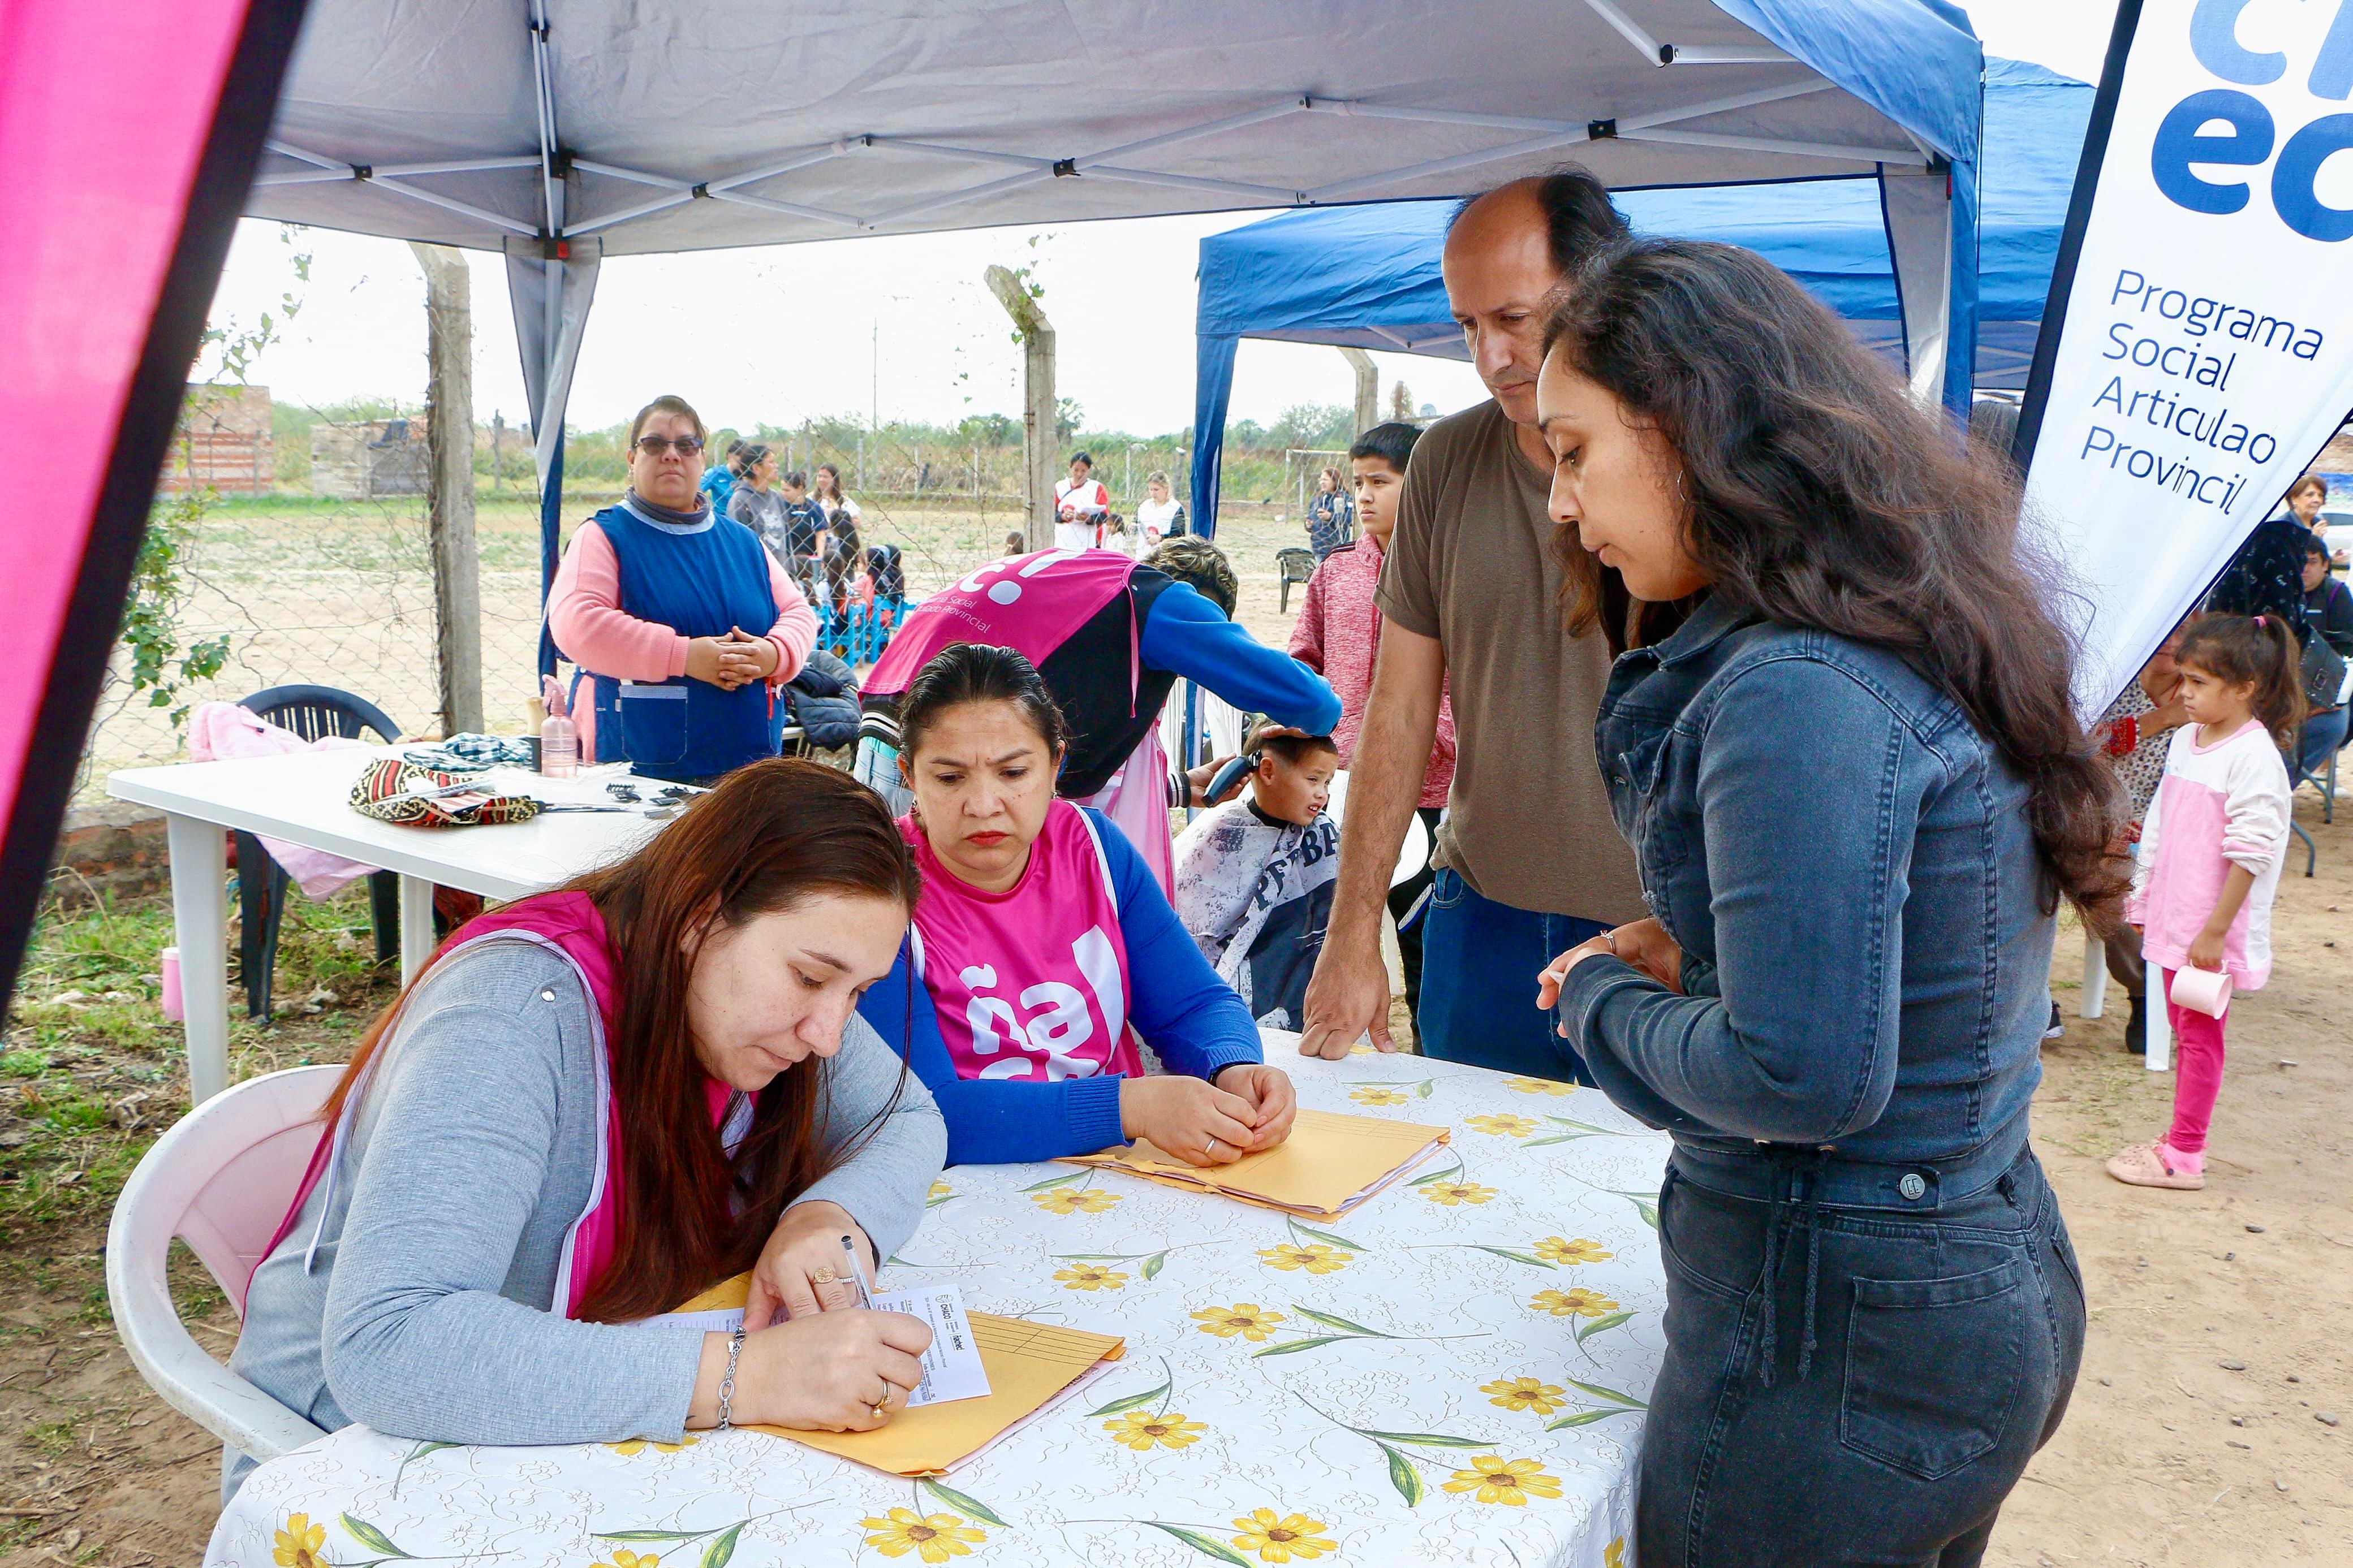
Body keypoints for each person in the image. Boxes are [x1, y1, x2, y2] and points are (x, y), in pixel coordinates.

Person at [1527, 240, 2099, 1564]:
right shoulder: (1903, 617)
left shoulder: (1793, 686)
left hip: (1837, 1336)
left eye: (1573, 452)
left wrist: (1604, 1001)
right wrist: (1716, 944)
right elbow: (1913, 944)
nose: (1563, 506)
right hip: (1961, 1270)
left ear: (1687, 427)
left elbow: (1799, 1076)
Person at [227, 762, 947, 1498]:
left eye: (856, 991)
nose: (828, 1034)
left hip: (539, 1445)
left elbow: (906, 1118)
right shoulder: (510, 1015)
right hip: (347, 1471)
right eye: (809, 978)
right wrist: (750, 1375)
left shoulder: (752, 986)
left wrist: (826, 1218)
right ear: (701, 914)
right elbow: (390, 1344)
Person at [1301, 166, 1647, 1078]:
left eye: (1516, 319)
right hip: (1481, 916)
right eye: (1468, 325)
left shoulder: (1694, 462)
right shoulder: (1449, 462)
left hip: (1669, 938)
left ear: (1603, 290)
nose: (1491, 354)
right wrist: (1352, 932)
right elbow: (1399, 710)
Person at [855, 645, 1298, 1167]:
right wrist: (1127, 1106)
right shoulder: (877, 894)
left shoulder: (1096, 851)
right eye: (949, 778)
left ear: (1055, 763)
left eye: (1013, 773)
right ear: (908, 776)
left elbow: (1193, 1004)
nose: (983, 804)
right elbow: (927, 1112)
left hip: (1114, 1180)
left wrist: (1233, 1065)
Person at [855, 535, 1338, 890]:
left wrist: (1180, 786)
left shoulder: (1089, 586)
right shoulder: (1159, 602)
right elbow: (1310, 700)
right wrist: (1319, 718)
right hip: (945, 764)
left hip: (889, 733)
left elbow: (1073, 780)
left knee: (889, 914)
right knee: (937, 942)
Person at [2106, 614, 2298, 1193]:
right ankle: (2178, 1141)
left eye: (2197, 682)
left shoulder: (2253, 756)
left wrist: (2214, 931)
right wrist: (2142, 899)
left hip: (2207, 930)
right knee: (2187, 1028)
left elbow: (2251, 852)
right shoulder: (2188, 740)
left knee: (2197, 1034)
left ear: (2243, 688)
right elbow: (2163, 821)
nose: (2182, 691)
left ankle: (2184, 1153)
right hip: (2175, 916)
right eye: (2183, 678)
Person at [548, 397, 816, 784]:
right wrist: (685, 657)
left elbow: (799, 613)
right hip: (637, 772)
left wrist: (772, 654)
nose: (671, 455)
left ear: (702, 460)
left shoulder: (742, 542)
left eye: (686, 445)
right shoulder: (604, 535)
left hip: (746, 770)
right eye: (655, 444)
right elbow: (578, 624)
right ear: (631, 458)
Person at [1288, 420, 1455, 1029]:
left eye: (1380, 482)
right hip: (1340, 789)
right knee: (1330, 929)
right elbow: (1303, 659)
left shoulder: (1451, 571)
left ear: (1421, 485)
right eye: (1358, 482)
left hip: (1433, 792)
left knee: (1425, 938)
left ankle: (1433, 1050)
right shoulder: (1334, 573)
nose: (1363, 496)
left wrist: (1438, 741)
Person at [1172, 722, 1341, 1029]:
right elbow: (1194, 928)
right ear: (1268, 771)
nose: (1322, 794)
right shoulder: (1221, 835)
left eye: (1328, 782)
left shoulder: (1325, 834)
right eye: (1314, 779)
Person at [2092, 622, 2192, 1052]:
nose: (2170, 641)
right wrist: (2163, 719)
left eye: (2182, 633)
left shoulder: (2201, 692)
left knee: (2111, 890)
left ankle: (2142, 989)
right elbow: (2088, 743)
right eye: (2165, 628)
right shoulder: (2112, 680)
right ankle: (2036, 998)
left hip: (2156, 829)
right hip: (2088, 816)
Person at [2296, 533, 2352, 777]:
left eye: (2311, 562)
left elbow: (2347, 647)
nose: (2304, 570)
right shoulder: (2282, 593)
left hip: (2323, 685)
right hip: (2282, 684)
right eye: (2299, 563)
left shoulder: (2336, 593)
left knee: (2335, 724)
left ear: (2326, 565)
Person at [725, 442, 791, 563]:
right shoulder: (740, 500)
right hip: (758, 571)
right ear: (756, 468)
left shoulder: (776, 497)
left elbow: (787, 540)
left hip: (781, 572)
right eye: (771, 462)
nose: (776, 466)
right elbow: (738, 546)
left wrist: (791, 574)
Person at [813, 463, 864, 614]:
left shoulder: (844, 501)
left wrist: (838, 520)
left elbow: (857, 521)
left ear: (834, 480)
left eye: (826, 477)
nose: (822, 480)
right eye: (819, 476)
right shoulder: (812, 499)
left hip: (842, 546)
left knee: (846, 582)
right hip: (821, 545)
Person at [775, 469, 829, 604]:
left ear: (799, 489)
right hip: (786, 557)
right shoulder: (779, 506)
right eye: (782, 490)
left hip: (808, 558)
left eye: (787, 490)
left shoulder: (813, 508)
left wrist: (821, 557)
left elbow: (820, 533)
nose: (783, 493)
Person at [2285, 472, 2346, 568]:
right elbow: (2288, 563)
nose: (2317, 500)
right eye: (2310, 495)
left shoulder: (2317, 523)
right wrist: (2312, 540)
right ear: (2294, 499)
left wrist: (2331, 559)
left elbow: (2313, 561)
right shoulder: (2284, 526)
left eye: (2320, 495)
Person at [1054, 452, 1110, 551]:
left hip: (1088, 541)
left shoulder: (1096, 487)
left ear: (1089, 470)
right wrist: (1062, 516)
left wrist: (1089, 519)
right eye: (1076, 470)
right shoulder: (1060, 487)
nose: (1079, 474)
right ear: (1070, 468)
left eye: (1083, 471)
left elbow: (1105, 515)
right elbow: (1050, 513)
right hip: (1062, 540)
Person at [1305, 465, 1352, 558]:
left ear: (1335, 481)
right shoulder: (1317, 500)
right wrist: (1308, 525)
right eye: (1321, 480)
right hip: (1319, 549)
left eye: (1325, 480)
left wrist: (1330, 517)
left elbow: (1351, 520)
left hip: (1337, 550)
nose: (1322, 482)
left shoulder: (1343, 499)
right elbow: (1311, 519)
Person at [1136, 470, 1188, 545]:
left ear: (1166, 488)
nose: (1153, 493)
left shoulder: (1175, 508)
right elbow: (1137, 524)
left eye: (1156, 490)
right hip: (1144, 554)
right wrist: (1132, 527)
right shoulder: (1144, 506)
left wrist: (1160, 538)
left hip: (1165, 553)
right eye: (1151, 489)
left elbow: (1178, 537)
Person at [698, 438, 744, 512]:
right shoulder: (715, 473)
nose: (742, 465)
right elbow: (697, 491)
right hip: (722, 516)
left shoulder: (747, 475)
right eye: (739, 462)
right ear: (730, 456)